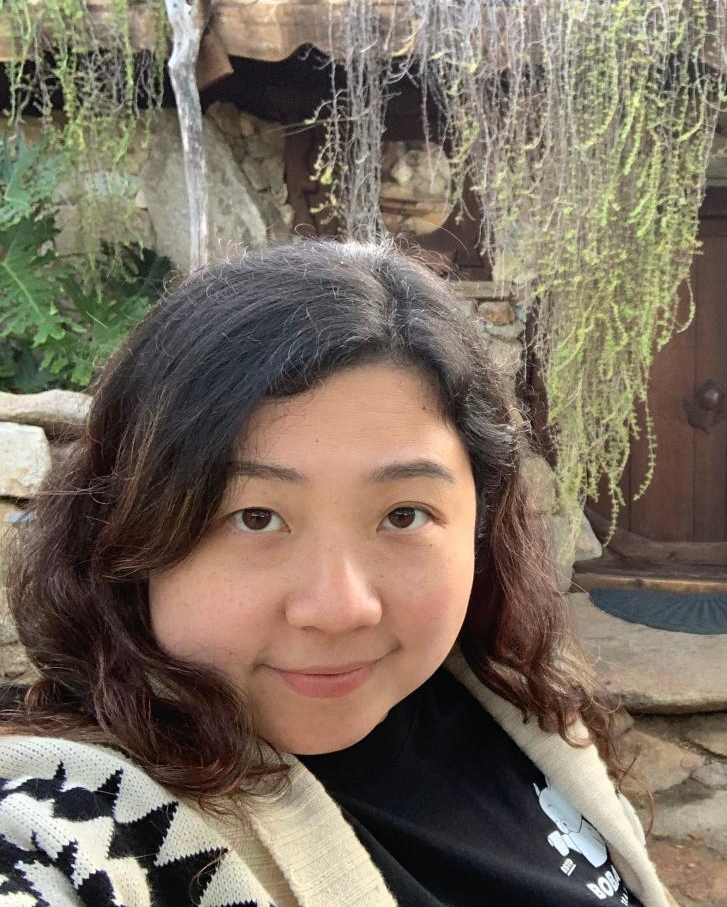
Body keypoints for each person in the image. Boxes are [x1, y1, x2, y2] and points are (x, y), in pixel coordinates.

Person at [0, 241, 669, 906]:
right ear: (126, 527)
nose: (341, 608)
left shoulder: (504, 702)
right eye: (255, 517)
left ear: (481, 524)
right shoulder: (73, 820)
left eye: (404, 514)